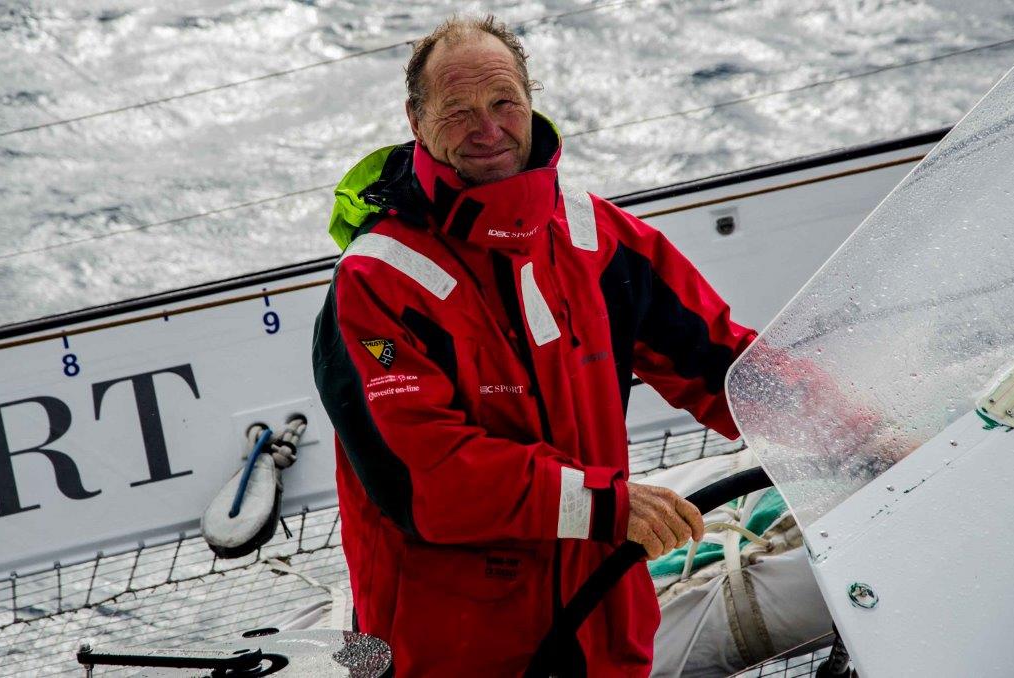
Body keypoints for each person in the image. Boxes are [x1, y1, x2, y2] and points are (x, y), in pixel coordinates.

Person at [311, 15, 756, 677]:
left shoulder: (594, 238)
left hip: (602, 636)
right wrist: (605, 506)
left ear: (530, 99)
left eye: (503, 103)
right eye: (457, 110)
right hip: (454, 653)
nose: (487, 130)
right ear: (415, 118)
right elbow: (428, 479)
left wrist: (856, 430)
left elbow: (727, 365)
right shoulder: (376, 283)